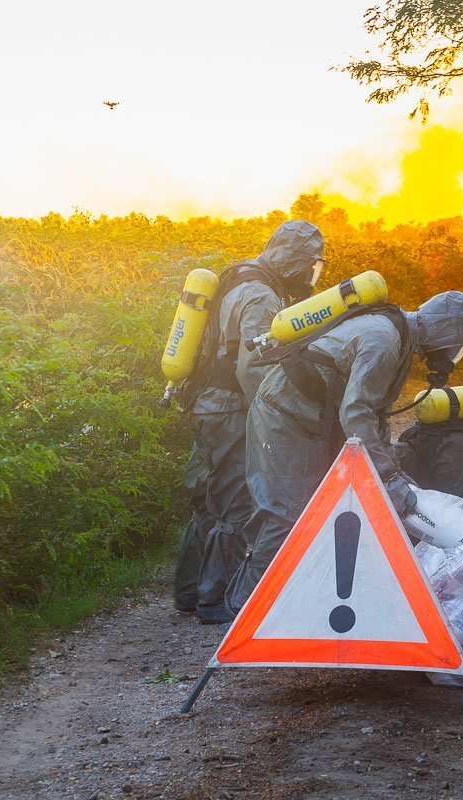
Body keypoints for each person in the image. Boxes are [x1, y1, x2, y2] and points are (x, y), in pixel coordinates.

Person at [221, 290, 463, 620]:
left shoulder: (400, 338)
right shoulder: (384, 340)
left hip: (310, 418)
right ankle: (249, 613)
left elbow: (376, 415)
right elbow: (356, 414)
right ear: (445, 331)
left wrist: (394, 469)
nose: (450, 356)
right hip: (282, 415)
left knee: (317, 511)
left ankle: (291, 604)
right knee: (285, 514)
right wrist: (386, 477)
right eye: (454, 346)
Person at [172, 220, 325, 623]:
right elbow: (254, 368)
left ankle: (189, 590)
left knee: (207, 495)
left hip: (206, 405)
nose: (310, 275)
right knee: (236, 502)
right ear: (294, 260)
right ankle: (216, 600)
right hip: (229, 409)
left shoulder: (238, 275)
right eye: (310, 265)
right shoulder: (261, 295)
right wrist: (274, 416)